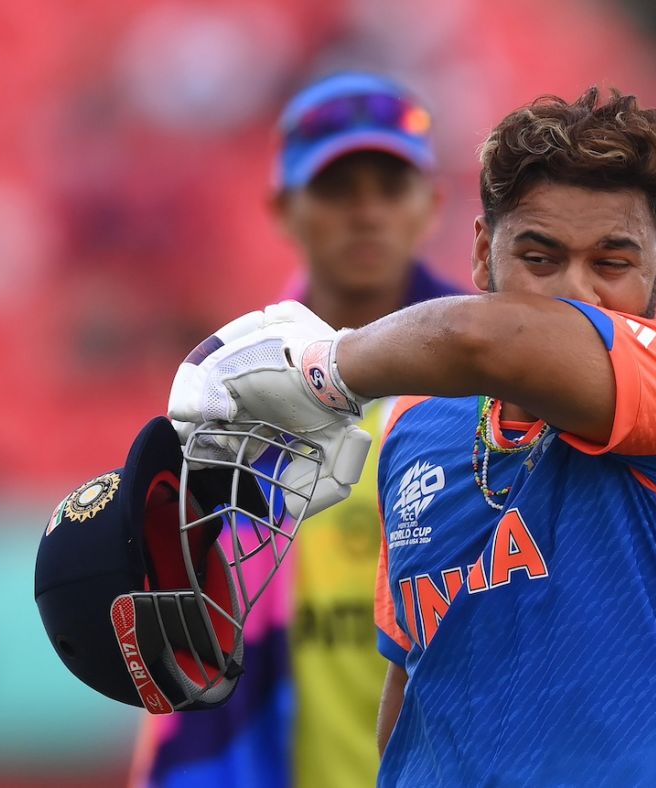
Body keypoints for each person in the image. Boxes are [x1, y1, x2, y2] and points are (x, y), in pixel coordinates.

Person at [169, 86, 656, 786]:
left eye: (612, 263)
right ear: (483, 251)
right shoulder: (414, 429)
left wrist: (320, 368)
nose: (577, 294)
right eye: (541, 258)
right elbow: (412, 698)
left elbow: (481, 338)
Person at [132, 71, 461, 788]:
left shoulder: (494, 384)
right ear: (284, 208)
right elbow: (192, 631)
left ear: (431, 204)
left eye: (390, 186)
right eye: (338, 189)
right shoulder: (224, 399)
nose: (366, 212)